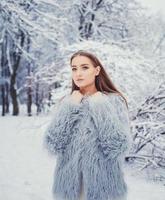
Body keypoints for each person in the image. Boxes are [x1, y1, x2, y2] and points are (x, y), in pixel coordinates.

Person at [43, 50, 132, 200]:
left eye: (85, 67)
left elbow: (117, 146)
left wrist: (100, 106)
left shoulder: (114, 101)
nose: (78, 73)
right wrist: (70, 107)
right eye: (74, 68)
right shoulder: (67, 102)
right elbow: (53, 144)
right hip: (68, 190)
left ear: (97, 70)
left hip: (105, 189)